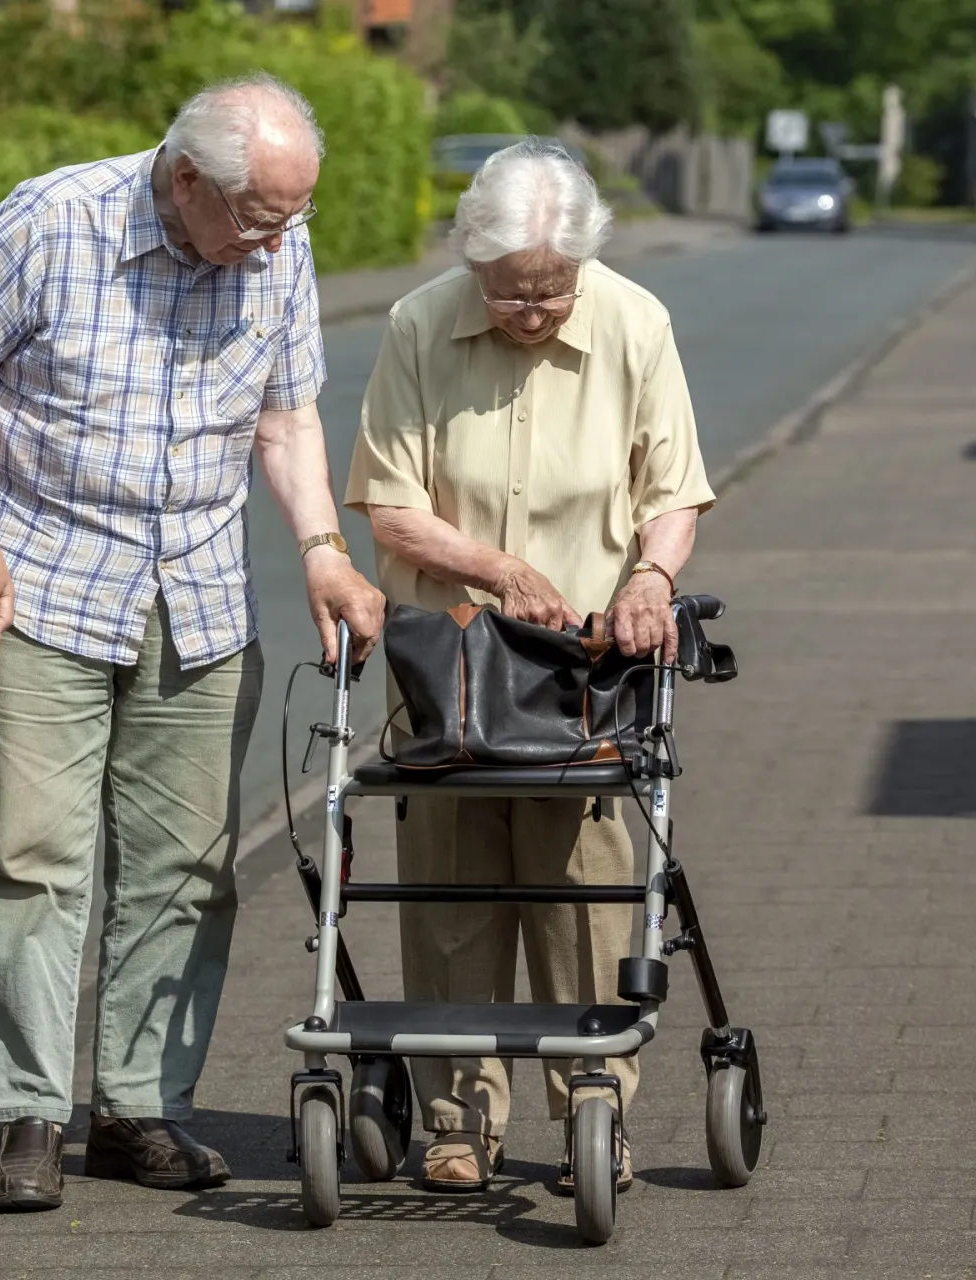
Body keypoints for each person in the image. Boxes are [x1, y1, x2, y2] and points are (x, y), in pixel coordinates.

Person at [0, 74, 385, 1213]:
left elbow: (288, 412)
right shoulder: (54, 219)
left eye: (294, 220)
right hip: (43, 592)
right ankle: (27, 1112)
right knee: (35, 861)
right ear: (185, 181)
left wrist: (319, 543)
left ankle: (138, 1107)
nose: (276, 245)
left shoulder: (276, 250)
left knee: (186, 871)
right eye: (259, 218)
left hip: (203, 602)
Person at [344, 139, 714, 1195]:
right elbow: (390, 499)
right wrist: (495, 566)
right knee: (453, 885)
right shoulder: (420, 323)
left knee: (584, 888)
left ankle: (595, 1101)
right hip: (450, 652)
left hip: (583, 661)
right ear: (475, 264)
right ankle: (459, 1116)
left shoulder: (636, 322)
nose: (534, 308)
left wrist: (652, 576)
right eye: (512, 291)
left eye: (554, 289)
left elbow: (673, 487)